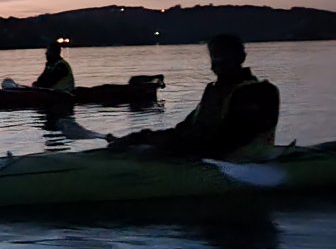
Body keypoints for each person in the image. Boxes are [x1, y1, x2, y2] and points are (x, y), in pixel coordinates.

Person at [108, 34, 279, 160]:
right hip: (205, 152)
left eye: (225, 56)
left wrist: (162, 148)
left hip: (244, 161)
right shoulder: (213, 90)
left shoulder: (260, 92)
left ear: (241, 58)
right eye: (214, 56)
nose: (218, 62)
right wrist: (139, 138)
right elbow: (186, 130)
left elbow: (229, 139)